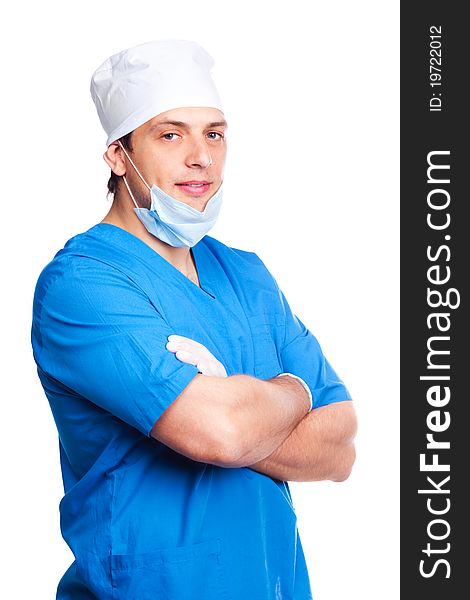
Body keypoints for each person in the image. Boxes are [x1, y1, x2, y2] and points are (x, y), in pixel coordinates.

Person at [31, 40, 357, 599]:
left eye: (214, 133)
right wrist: (294, 392)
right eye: (170, 133)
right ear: (118, 155)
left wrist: (239, 401)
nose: (201, 157)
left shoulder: (246, 274)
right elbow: (222, 433)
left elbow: (340, 450)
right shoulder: (83, 285)